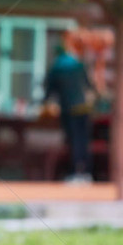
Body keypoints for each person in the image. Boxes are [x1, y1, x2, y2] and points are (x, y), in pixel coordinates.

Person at [43, 36, 95, 181]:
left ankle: (75, 172)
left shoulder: (56, 68)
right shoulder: (78, 65)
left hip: (69, 109)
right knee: (84, 140)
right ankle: (87, 172)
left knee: (73, 140)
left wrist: (43, 104)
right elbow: (89, 86)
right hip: (84, 108)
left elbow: (48, 90)